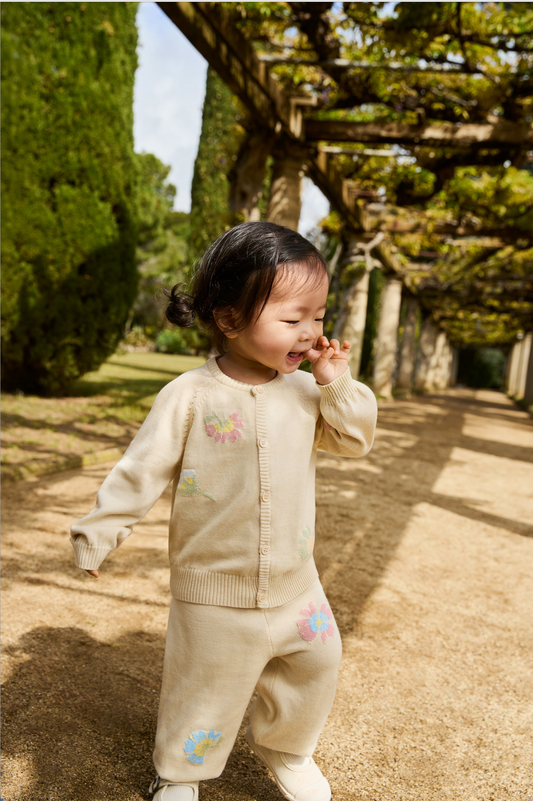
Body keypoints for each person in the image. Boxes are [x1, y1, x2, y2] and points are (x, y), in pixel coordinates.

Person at [71, 221, 378, 801]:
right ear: (230, 318)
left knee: (317, 663)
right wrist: (101, 530)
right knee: (202, 689)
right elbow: (142, 468)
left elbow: (356, 438)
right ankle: (182, 773)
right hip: (213, 589)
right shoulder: (189, 395)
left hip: (296, 584)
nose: (311, 333)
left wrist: (338, 385)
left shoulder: (309, 394)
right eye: (293, 319)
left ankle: (288, 749)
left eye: (318, 316)